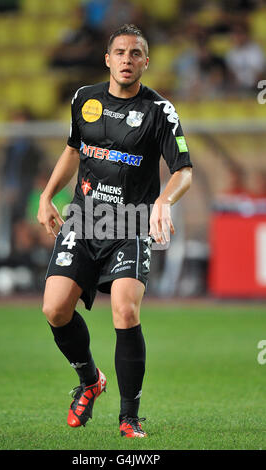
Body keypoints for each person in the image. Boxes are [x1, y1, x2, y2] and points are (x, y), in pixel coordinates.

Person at [37, 24, 192, 438]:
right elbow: (74, 150)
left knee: (125, 310)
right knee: (54, 309)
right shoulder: (84, 100)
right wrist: (47, 196)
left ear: (146, 61)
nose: (127, 59)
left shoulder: (160, 111)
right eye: (119, 52)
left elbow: (184, 172)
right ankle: (90, 380)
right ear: (107, 59)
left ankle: (129, 418)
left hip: (131, 223)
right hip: (84, 220)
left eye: (135, 53)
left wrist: (163, 202)